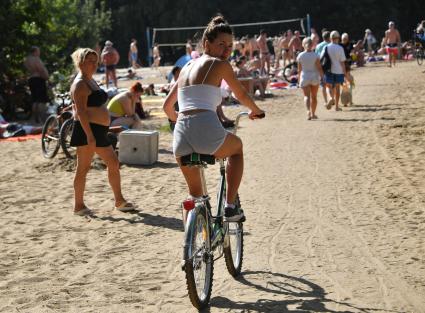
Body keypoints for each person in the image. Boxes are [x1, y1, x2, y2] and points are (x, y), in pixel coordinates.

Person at [163, 15, 265, 222]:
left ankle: (196, 244)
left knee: (196, 197)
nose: (227, 51)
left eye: (230, 46)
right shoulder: (220, 65)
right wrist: (255, 110)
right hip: (206, 129)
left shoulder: (185, 68)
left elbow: (167, 107)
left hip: (181, 134)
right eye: (221, 45)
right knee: (236, 149)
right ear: (206, 44)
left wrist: (180, 122)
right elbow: (241, 95)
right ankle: (230, 206)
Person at [69, 48, 134, 215]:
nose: (94, 64)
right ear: (81, 62)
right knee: (82, 168)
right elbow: (81, 112)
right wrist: (89, 135)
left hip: (99, 130)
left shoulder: (90, 80)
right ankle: (78, 205)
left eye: (95, 61)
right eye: (90, 60)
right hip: (87, 130)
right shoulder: (80, 84)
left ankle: (119, 200)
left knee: (113, 163)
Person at [297, 37, 323, 120]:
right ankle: (313, 113)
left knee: (306, 96)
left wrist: (298, 79)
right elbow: (319, 68)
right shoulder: (316, 55)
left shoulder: (300, 55)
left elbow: (299, 70)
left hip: (305, 77)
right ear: (312, 45)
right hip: (314, 77)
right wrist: (322, 77)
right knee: (314, 97)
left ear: (303, 45)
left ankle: (308, 111)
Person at [321, 31, 348, 111]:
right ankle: (336, 106)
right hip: (339, 70)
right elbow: (342, 62)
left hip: (329, 70)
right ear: (338, 38)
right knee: (337, 88)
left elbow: (321, 58)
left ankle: (330, 98)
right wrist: (345, 73)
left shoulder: (326, 47)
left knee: (328, 86)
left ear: (330, 38)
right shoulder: (340, 48)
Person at [24, 46, 49, 123]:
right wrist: (46, 77)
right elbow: (41, 69)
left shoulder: (27, 60)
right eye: (38, 51)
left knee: (34, 99)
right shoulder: (36, 59)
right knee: (41, 100)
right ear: (34, 51)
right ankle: (42, 118)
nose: (39, 53)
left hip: (31, 79)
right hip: (38, 79)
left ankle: (35, 117)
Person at [315, 31, 331, 107]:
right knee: (331, 84)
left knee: (323, 85)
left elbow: (316, 57)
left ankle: (325, 101)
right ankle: (332, 98)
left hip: (320, 67)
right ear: (329, 37)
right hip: (330, 66)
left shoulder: (318, 46)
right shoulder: (330, 45)